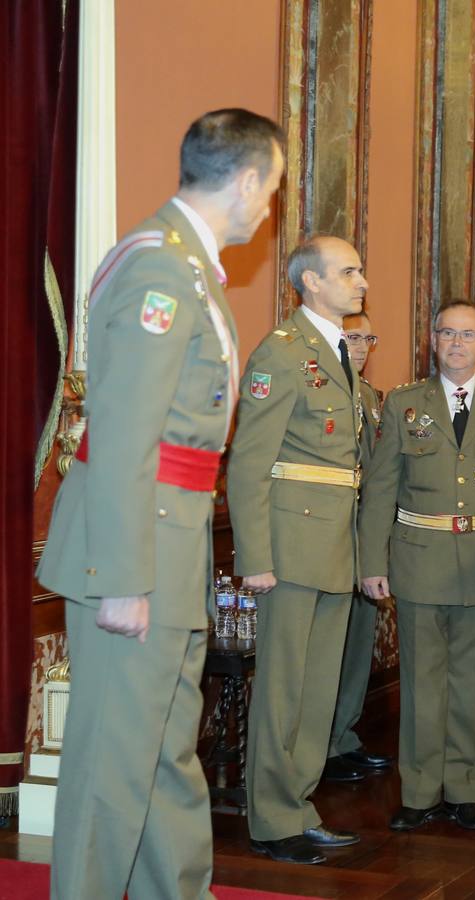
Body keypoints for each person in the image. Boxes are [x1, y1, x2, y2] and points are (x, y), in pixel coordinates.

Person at [36, 108, 284, 898]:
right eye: (271, 188)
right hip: (137, 548)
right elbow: (123, 434)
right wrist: (123, 577)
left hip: (169, 542)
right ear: (246, 180)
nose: (269, 208)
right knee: (114, 764)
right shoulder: (160, 270)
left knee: (166, 756)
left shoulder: (188, 268)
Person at [359, 301, 475, 832]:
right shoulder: (404, 403)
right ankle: (418, 792)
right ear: (433, 339)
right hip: (420, 561)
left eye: (468, 335)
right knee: (421, 682)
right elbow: (380, 489)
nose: (457, 343)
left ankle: (465, 789)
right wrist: (372, 560)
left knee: (474, 683)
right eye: (447, 333)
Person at [229, 235, 369, 864]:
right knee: (283, 688)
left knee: (317, 690)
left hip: (334, 541)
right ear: (311, 281)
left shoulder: (336, 350)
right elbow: (248, 461)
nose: (361, 282)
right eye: (349, 272)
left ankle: (298, 803)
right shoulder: (282, 353)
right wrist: (255, 557)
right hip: (289, 543)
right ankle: (271, 818)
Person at [325, 311, 395, 779]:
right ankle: (320, 746)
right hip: (328, 534)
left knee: (356, 644)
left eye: (369, 338)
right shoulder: (320, 388)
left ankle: (342, 736)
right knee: (327, 647)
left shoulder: (370, 396)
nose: (363, 347)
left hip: (363, 536)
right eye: (353, 337)